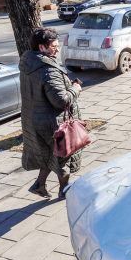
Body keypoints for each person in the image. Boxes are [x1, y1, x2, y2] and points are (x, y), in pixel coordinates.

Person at [19, 28, 84, 199]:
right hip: (52, 123)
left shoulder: (28, 62)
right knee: (64, 156)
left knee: (50, 155)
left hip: (34, 119)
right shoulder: (47, 70)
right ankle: (64, 191)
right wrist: (75, 89)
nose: (57, 49)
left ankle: (39, 185)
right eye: (54, 46)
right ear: (42, 47)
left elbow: (43, 89)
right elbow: (61, 100)